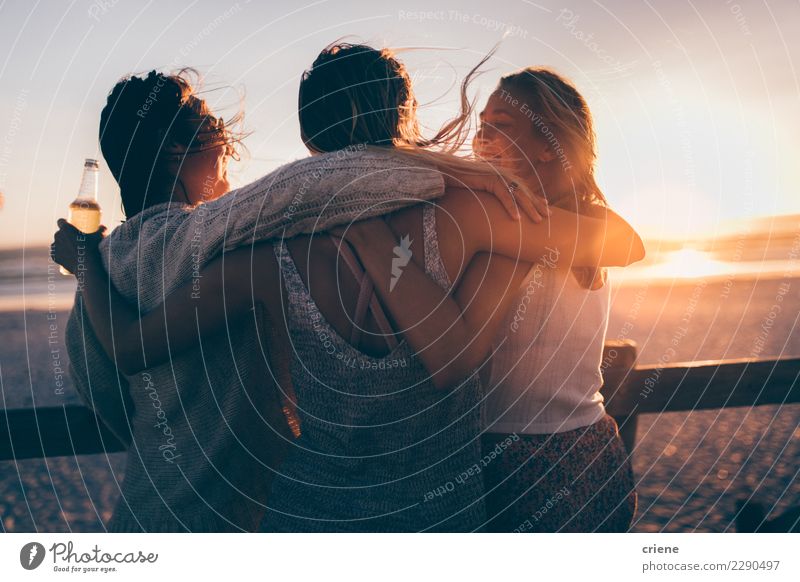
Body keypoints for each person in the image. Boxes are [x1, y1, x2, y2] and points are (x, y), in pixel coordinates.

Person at [55, 44, 644, 532]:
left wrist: (87, 259)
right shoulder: (471, 214)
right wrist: (475, 174)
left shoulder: (264, 250)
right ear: (403, 117)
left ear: (311, 136)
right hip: (440, 517)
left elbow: (130, 351)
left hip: (306, 518)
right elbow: (618, 244)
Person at [471, 67, 639, 532]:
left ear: (549, 145)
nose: (481, 136)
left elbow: (632, 245)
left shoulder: (552, 221)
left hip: (525, 454)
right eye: (480, 123)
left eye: (500, 126)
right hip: (586, 445)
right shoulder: (507, 213)